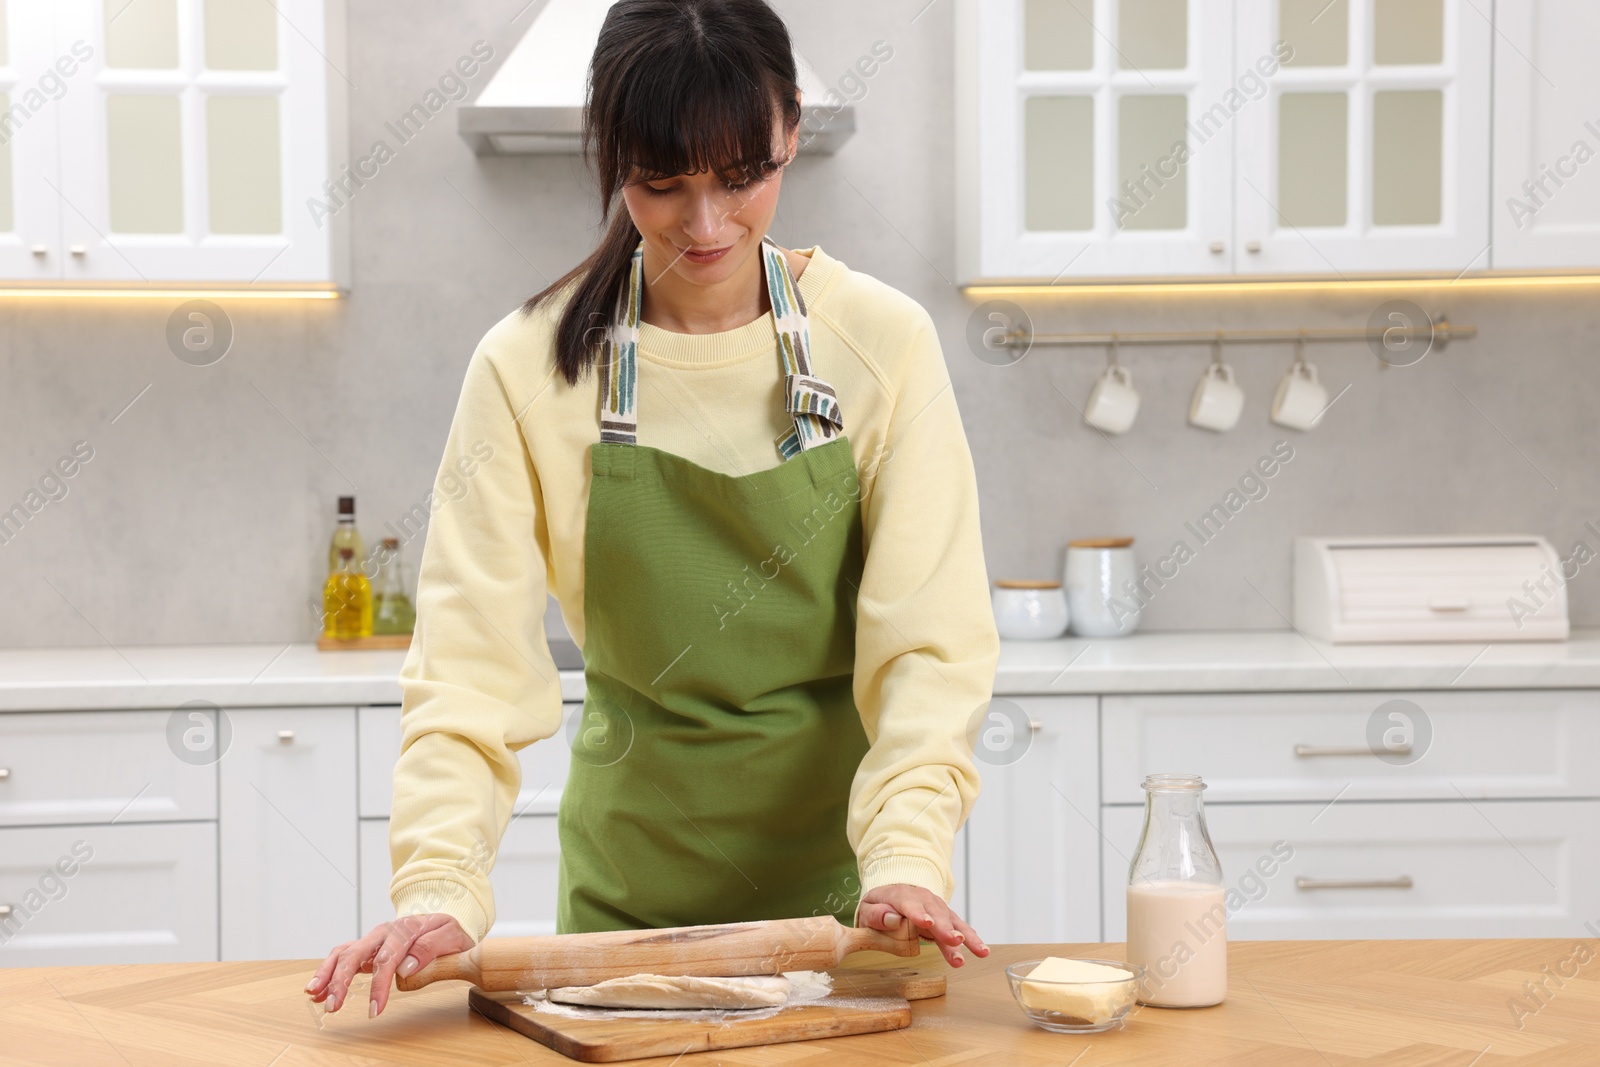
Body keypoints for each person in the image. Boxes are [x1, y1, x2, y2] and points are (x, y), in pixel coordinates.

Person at [308, 0, 999, 1018]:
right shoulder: (528, 368)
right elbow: (466, 672)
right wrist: (441, 884)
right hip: (624, 926)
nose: (706, 224)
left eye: (741, 177)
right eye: (661, 184)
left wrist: (906, 853)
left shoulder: (881, 343)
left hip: (854, 913)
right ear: (610, 156)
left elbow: (929, 649)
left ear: (791, 132)